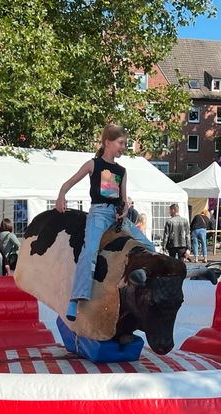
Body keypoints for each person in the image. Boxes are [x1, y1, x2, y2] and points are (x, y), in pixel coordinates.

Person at [55, 123, 151, 321]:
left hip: (117, 216)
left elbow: (124, 200)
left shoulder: (122, 171)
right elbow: (67, 183)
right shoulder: (93, 164)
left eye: (125, 143)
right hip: (98, 214)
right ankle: (76, 298)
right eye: (121, 143)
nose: (124, 147)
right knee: (89, 251)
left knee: (149, 245)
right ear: (108, 142)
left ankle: (140, 282)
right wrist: (61, 195)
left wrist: (124, 211)